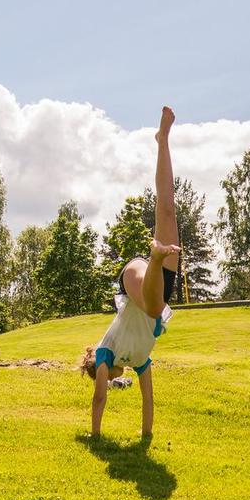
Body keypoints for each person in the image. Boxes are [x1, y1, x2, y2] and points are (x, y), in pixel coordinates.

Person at [81, 107, 181, 439]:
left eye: (108, 376)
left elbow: (98, 399)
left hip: (136, 280)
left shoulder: (105, 354)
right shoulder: (139, 360)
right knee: (166, 207)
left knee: (152, 308)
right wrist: (146, 438)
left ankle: (154, 256)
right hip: (158, 286)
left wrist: (95, 437)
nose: (113, 378)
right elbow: (148, 401)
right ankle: (163, 140)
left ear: (102, 370)